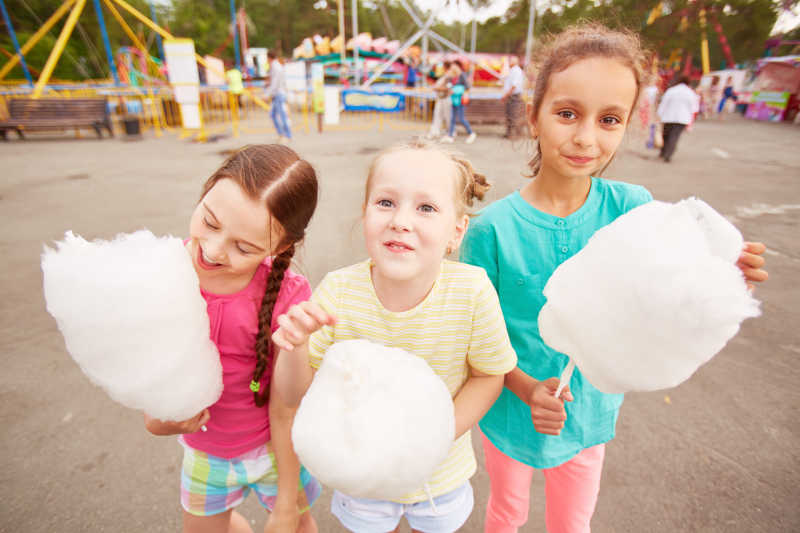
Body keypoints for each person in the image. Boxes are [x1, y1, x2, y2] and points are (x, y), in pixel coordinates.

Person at [459, 24, 769, 533]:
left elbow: (663, 301)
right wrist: (524, 387)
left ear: (627, 124)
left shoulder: (634, 209)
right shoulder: (492, 229)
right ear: (533, 117)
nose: (586, 137)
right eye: (566, 114)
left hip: (589, 417)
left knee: (573, 522)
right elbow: (476, 337)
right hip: (512, 414)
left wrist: (719, 279)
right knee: (506, 512)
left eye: (609, 120)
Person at [271, 140, 518, 533]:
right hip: (360, 472)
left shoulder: (472, 292)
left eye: (426, 208)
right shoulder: (338, 292)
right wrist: (295, 347)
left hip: (438, 475)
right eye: (385, 202)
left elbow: (490, 375)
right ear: (365, 213)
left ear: (456, 231)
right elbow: (293, 394)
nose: (401, 220)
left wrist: (432, 437)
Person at [144, 145, 322, 533]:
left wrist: (289, 504)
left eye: (244, 247)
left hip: (278, 452)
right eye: (209, 222)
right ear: (205, 192)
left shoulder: (288, 294)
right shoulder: (162, 273)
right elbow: (149, 381)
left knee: (297, 525)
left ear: (281, 247)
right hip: (206, 454)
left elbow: (288, 405)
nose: (213, 249)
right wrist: (160, 421)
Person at [657, 74, 699, 163]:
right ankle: (668, 154)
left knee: (666, 135)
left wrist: (659, 115)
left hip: (668, 117)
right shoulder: (690, 93)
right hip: (682, 119)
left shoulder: (672, 90)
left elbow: (663, 103)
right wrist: (691, 123)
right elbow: (694, 109)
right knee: (674, 137)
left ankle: (663, 152)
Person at [442, 62, 477, 144]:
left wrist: (457, 90)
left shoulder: (462, 75)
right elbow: (448, 85)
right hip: (454, 99)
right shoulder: (451, 77)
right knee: (453, 118)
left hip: (461, 99)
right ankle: (450, 135)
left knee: (461, 118)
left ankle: (471, 133)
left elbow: (467, 87)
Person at [266, 51, 292, 143]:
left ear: (269, 58)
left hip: (279, 94)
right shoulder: (276, 66)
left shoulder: (276, 67)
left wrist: (267, 94)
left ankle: (286, 135)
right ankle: (283, 134)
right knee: (275, 115)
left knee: (281, 115)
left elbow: (275, 83)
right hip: (278, 93)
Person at [427, 60, 453, 140]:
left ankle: (451, 132)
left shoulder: (449, 76)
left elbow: (448, 88)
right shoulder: (445, 75)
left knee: (447, 116)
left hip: (446, 98)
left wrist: (436, 88)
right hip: (441, 99)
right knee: (437, 115)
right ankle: (435, 132)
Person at [501, 55, 525, 139]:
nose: (509, 62)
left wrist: (506, 95)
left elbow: (514, 86)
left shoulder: (516, 71)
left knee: (513, 115)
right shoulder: (511, 70)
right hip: (511, 95)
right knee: (509, 114)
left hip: (514, 96)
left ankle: (514, 134)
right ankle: (509, 133)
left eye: (511, 60)